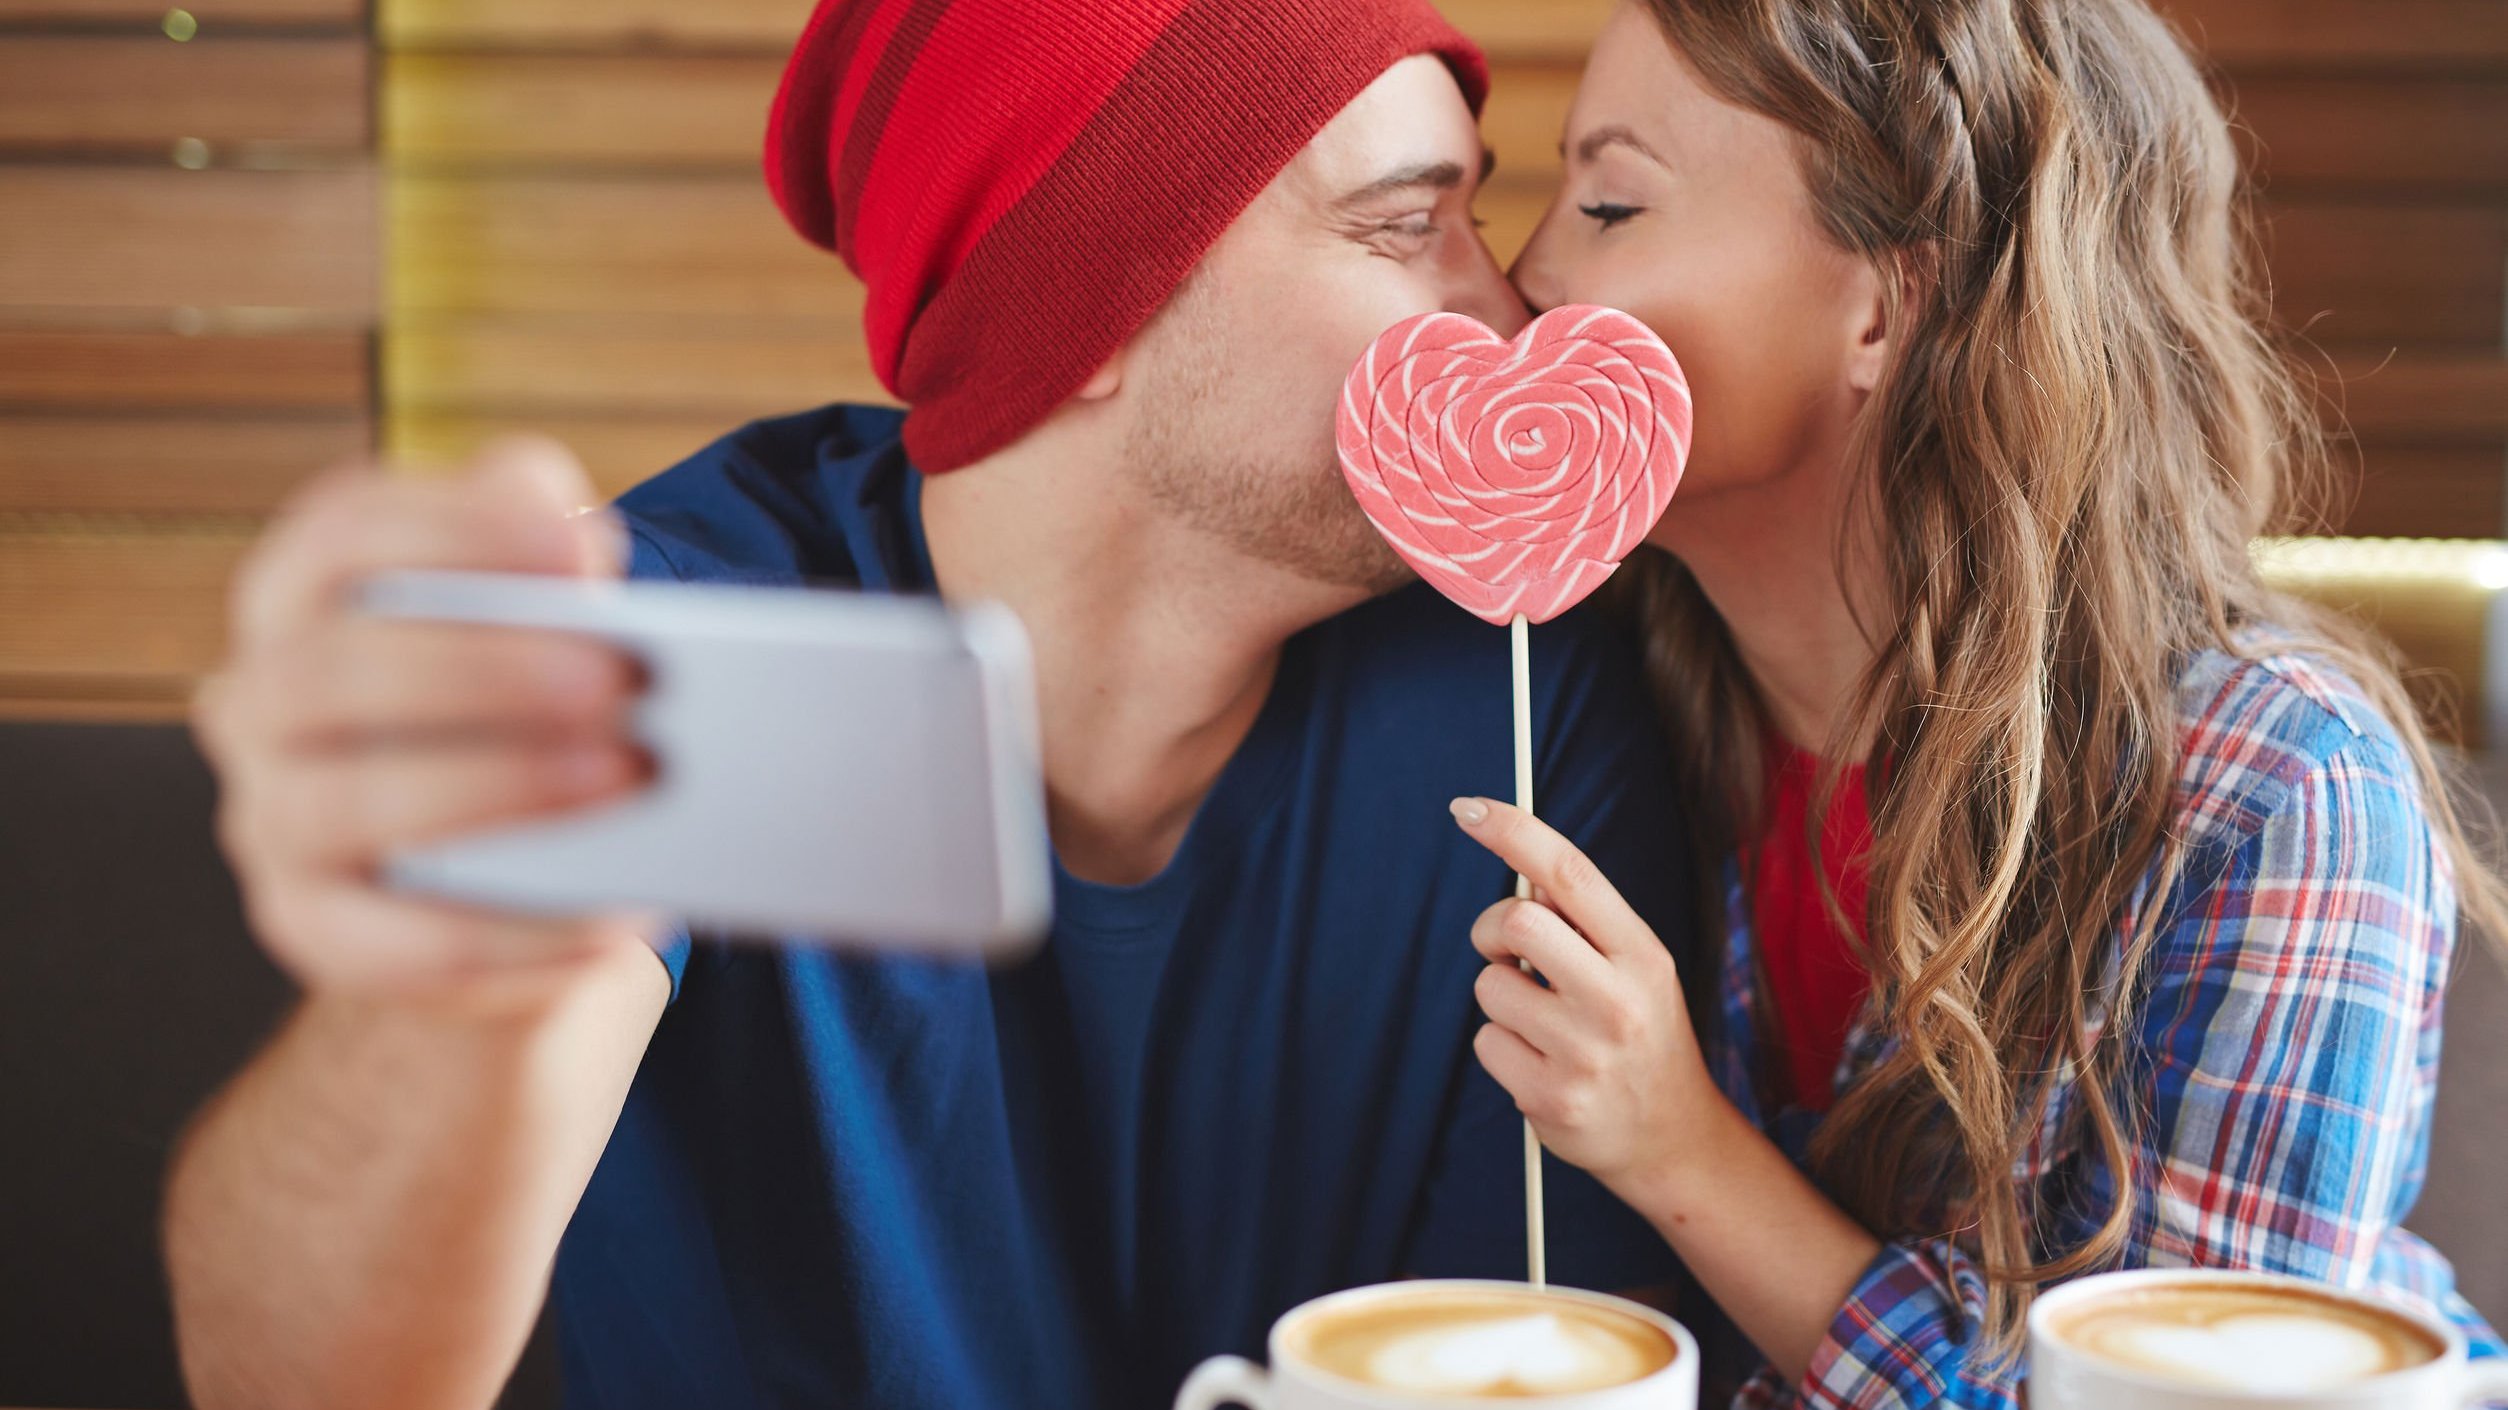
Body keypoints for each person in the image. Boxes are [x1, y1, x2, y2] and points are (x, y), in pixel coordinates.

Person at [162, 4, 1698, 1408]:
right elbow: (302, 1385)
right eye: (1407, 225)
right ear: (1095, 307)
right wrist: (469, 985)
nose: (1511, 315)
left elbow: (1542, 1338)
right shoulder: (682, 645)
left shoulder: (1521, 708)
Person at [1441, 1, 2507, 1405]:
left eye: (1613, 201)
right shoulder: (1595, 708)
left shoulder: (2282, 792)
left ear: (1884, 304)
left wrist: (1682, 1149)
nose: (1527, 274)